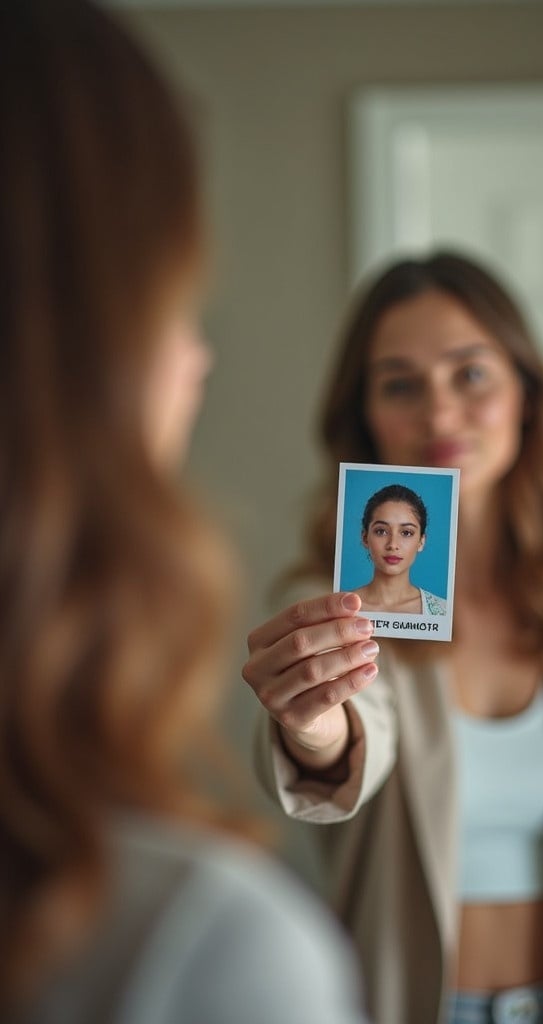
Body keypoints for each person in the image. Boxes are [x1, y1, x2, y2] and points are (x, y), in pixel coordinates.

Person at [0, 4, 368, 1024]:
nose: (198, 359)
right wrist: (320, 732)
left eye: (472, 376)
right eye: (179, 302)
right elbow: (340, 772)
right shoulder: (203, 950)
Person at [243, 250, 543, 1024]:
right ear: (367, 420)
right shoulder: (330, 609)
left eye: (471, 374)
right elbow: (353, 738)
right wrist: (314, 722)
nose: (441, 414)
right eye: (400, 384)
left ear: (526, 393)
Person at [353, 484, 446, 615]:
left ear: (421, 541)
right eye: (381, 531)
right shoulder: (342, 607)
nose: (393, 544)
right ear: (365, 537)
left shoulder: (443, 612)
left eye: (406, 533)